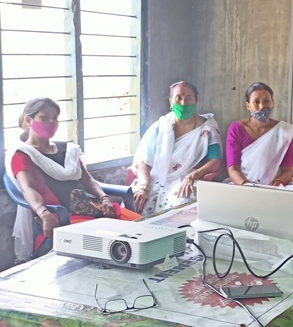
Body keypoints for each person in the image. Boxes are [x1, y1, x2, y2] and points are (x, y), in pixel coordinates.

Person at [8, 98, 140, 263]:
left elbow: (88, 180)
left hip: (92, 208)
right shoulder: (24, 155)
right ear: (28, 120)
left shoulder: (67, 151)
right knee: (118, 244)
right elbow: (28, 189)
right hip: (64, 217)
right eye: (45, 117)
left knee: (140, 230)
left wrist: (104, 198)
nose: (52, 122)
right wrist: (44, 214)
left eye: (55, 118)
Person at [131, 81, 223, 215]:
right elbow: (144, 161)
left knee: (182, 202)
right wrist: (144, 186)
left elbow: (215, 161)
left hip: (185, 178)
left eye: (188, 98)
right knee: (135, 202)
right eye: (178, 98)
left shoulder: (207, 129)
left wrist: (193, 175)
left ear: (196, 101)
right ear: (170, 102)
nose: (183, 103)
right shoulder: (161, 127)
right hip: (155, 179)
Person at [226, 82, 293, 188]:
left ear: (272, 103)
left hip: (273, 186)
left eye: (266, 101)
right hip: (242, 185)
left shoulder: (284, 132)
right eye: (256, 102)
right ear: (248, 106)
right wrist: (247, 186)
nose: (262, 107)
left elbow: (287, 171)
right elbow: (233, 169)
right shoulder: (237, 128)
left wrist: (274, 187)